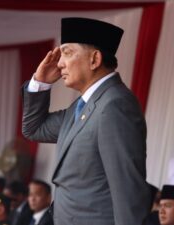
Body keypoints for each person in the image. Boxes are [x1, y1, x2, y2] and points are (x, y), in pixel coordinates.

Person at [21, 17, 150, 225]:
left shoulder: (115, 105)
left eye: (67, 53)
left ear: (94, 59)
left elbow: (128, 192)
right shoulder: (83, 105)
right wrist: (40, 83)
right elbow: (34, 129)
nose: (60, 63)